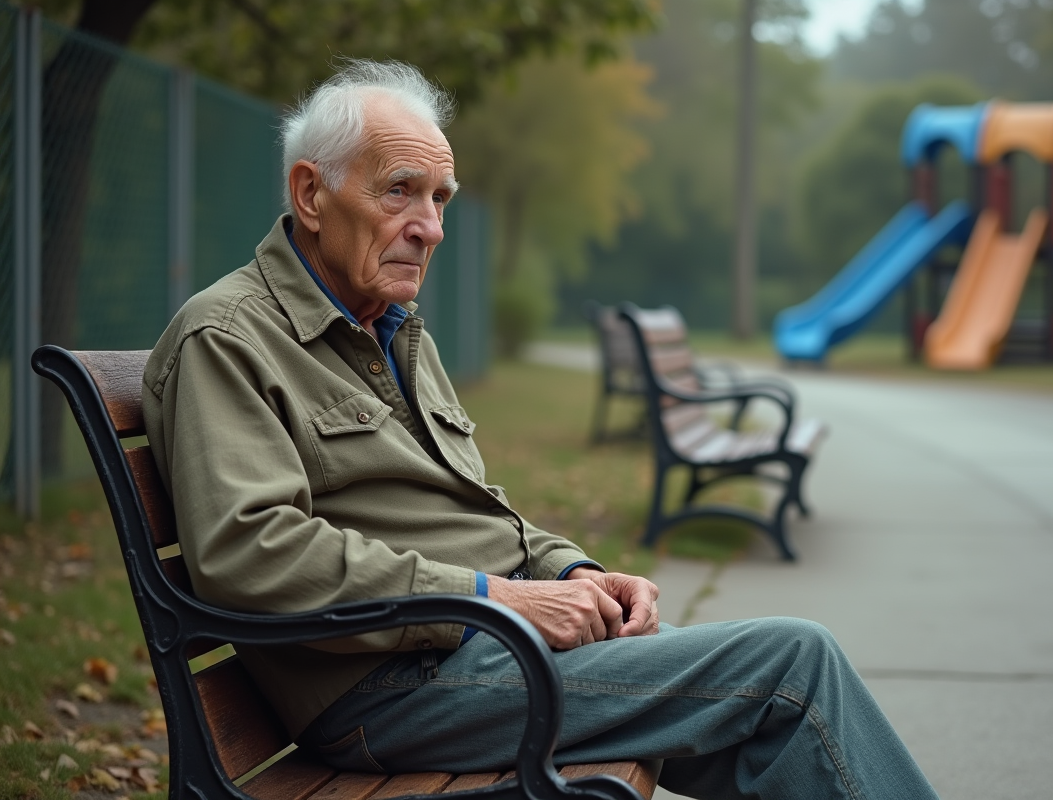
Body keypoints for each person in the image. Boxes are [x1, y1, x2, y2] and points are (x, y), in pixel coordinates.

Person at [143, 59, 939, 800]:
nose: (431, 227)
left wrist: (572, 572)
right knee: (792, 665)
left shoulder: (392, 329)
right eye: (400, 191)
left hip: (474, 654)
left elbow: (475, 509)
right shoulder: (228, 338)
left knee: (772, 730)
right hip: (387, 688)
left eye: (441, 198)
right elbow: (250, 551)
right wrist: (496, 599)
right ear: (312, 195)